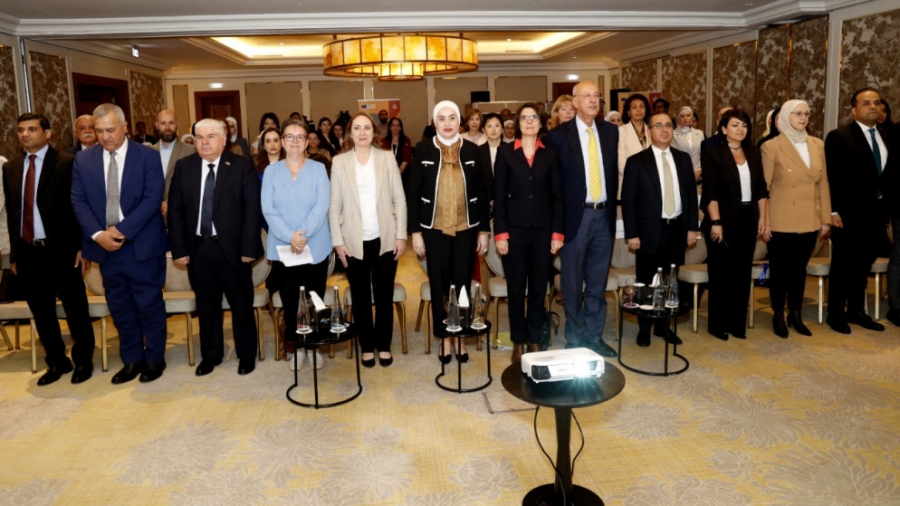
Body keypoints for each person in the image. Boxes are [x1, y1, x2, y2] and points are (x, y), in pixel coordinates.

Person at [72, 103, 169, 384]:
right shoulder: (83, 160)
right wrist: (97, 235)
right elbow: (78, 200)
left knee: (149, 305)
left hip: (141, 245)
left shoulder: (147, 156)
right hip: (106, 248)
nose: (105, 137)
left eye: (111, 130)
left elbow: (153, 198)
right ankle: (132, 359)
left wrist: (121, 231)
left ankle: (154, 359)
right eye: (99, 131)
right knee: (120, 307)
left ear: (125, 127)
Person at [3, 113, 95, 385]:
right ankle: (56, 361)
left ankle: (83, 360)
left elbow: (79, 207)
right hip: (28, 251)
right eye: (21, 130)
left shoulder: (67, 162)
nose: (25, 134)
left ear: (48, 133)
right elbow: (13, 213)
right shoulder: (11, 168)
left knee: (75, 309)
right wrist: (15, 254)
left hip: (63, 250)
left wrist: (82, 246)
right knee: (42, 312)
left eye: (32, 129)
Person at [168, 118, 263, 376]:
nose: (205, 142)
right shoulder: (184, 167)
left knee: (241, 305)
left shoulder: (241, 166)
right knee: (206, 306)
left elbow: (252, 210)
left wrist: (248, 248)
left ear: (224, 140)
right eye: (200, 137)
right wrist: (179, 250)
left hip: (233, 250)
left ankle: (246, 355)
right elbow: (175, 211)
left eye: (211, 137)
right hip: (199, 250)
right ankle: (211, 355)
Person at [408, 100, 491, 363]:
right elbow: (413, 193)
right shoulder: (423, 149)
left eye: (452, 118)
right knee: (440, 285)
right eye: (441, 118)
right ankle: (445, 337)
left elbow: (482, 192)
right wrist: (415, 232)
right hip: (433, 229)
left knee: (463, 283)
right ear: (435, 123)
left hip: (466, 228)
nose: (447, 123)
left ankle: (461, 336)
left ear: (459, 122)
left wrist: (484, 230)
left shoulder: (473, 149)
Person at [544, 81, 619, 357]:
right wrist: (556, 225)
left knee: (598, 283)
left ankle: (594, 337)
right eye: (587, 96)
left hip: (604, 216)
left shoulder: (610, 132)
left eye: (597, 95)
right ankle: (574, 337)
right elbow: (553, 185)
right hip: (575, 217)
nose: (593, 100)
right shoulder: (558, 136)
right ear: (574, 101)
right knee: (573, 284)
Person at [330, 113, 407, 368]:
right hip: (352, 241)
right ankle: (366, 346)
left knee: (384, 295)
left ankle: (383, 345)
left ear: (374, 132)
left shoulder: (386, 158)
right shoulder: (340, 161)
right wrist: (338, 242)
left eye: (366, 128)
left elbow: (399, 199)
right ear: (350, 133)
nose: (362, 132)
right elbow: (334, 205)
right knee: (360, 297)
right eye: (357, 128)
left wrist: (400, 234)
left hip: (385, 238)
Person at [493, 104, 564, 363]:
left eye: (533, 117)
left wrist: (557, 234)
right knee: (515, 289)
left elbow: (558, 196)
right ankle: (518, 341)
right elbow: (499, 196)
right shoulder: (505, 152)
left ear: (541, 123)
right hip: (514, 232)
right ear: (517, 124)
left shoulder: (550, 154)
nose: (529, 121)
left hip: (544, 232)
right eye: (524, 118)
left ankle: (534, 338)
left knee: (537, 288)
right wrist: (500, 234)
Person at [621, 112, 699, 346]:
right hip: (648, 233)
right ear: (649, 131)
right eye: (658, 126)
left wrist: (692, 228)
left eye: (668, 125)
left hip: (676, 230)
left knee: (669, 281)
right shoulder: (636, 161)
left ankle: (663, 326)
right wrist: (632, 233)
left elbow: (690, 197)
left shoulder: (683, 159)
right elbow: (628, 201)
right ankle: (644, 328)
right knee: (647, 281)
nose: (664, 129)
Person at [262, 119, 331, 369]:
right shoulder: (271, 172)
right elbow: (268, 209)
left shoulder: (318, 169)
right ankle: (298, 347)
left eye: (300, 136)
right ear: (282, 141)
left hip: (315, 246)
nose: (294, 141)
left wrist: (301, 235)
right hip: (284, 248)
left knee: (314, 299)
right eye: (289, 136)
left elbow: (322, 205)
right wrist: (290, 236)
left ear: (306, 142)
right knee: (290, 301)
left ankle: (313, 347)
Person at [761, 100, 832, 338]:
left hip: (809, 217)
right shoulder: (771, 146)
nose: (803, 118)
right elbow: (764, 187)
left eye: (807, 114)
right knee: (780, 270)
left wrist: (825, 218)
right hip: (780, 219)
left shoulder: (817, 144)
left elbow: (823, 183)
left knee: (799, 270)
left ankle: (795, 312)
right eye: (797, 114)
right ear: (784, 117)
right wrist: (765, 221)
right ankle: (777, 313)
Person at [825, 87, 893, 333]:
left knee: (862, 267)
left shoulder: (886, 136)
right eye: (866, 103)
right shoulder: (839, 136)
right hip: (847, 215)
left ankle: (856, 311)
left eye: (876, 102)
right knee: (843, 266)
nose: (873, 106)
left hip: (877, 214)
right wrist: (833, 211)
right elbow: (831, 177)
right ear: (854, 110)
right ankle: (835, 314)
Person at [700, 109, 768, 341]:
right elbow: (710, 192)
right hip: (722, 219)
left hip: (748, 217)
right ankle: (718, 324)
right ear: (723, 129)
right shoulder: (712, 154)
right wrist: (716, 222)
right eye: (735, 125)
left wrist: (763, 218)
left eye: (744, 125)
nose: (741, 129)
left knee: (742, 273)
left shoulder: (754, 152)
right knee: (721, 274)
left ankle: (737, 323)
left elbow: (761, 189)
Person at [150, 110, 195, 219]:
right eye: (163, 123)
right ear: (156, 125)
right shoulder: (148, 152)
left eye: (171, 123)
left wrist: (170, 202)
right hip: (153, 215)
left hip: (181, 215)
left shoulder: (191, 151)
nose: (167, 127)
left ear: (177, 124)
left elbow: (193, 184)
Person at [617, 94, 652, 197]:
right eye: (634, 107)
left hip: (651, 182)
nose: (638, 110)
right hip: (629, 182)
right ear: (628, 111)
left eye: (642, 106)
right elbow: (620, 161)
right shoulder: (621, 131)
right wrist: (640, 178)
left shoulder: (652, 130)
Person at [672, 106, 705, 182]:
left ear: (692, 117)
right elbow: (674, 156)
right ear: (678, 118)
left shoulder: (699, 133)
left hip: (699, 173)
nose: (685, 118)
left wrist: (700, 169)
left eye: (688, 115)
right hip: (682, 173)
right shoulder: (673, 134)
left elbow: (703, 154)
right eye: (682, 116)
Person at [381, 117, 412, 193]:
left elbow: (407, 157)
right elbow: (383, 157)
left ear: (401, 128)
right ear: (389, 127)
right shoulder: (384, 141)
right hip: (388, 172)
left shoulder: (406, 140)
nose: (395, 128)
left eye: (398, 125)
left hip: (402, 172)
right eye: (393, 125)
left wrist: (400, 170)